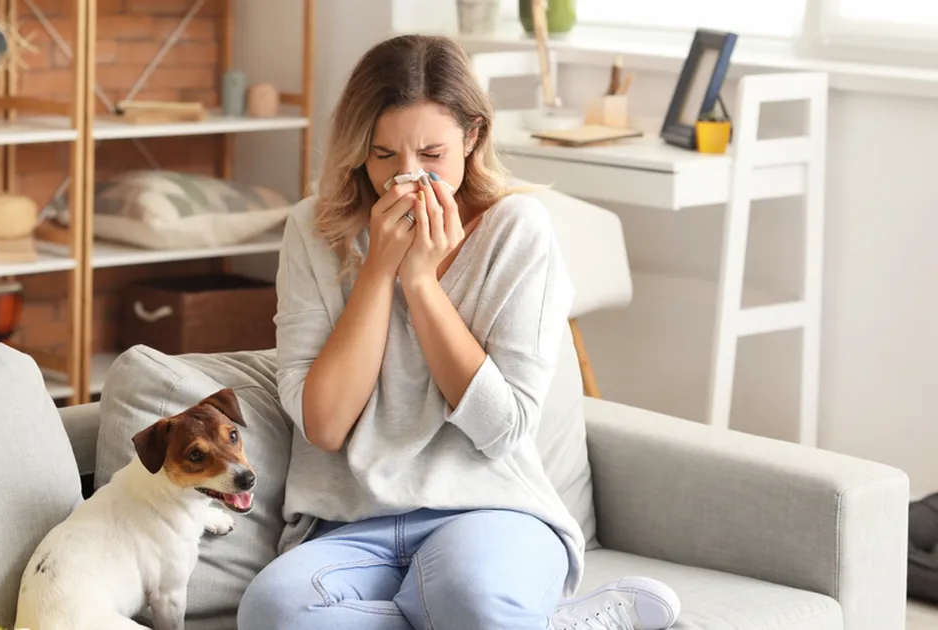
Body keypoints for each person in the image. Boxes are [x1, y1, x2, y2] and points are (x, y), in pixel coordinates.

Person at [236, 33, 682, 630]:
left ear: (472, 138)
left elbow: (502, 428)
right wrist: (377, 273)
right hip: (346, 526)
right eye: (383, 155)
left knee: (464, 595)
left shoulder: (517, 230)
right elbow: (325, 424)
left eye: (432, 153)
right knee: (273, 612)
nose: (407, 179)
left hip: (491, 511)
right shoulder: (312, 231)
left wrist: (421, 285)